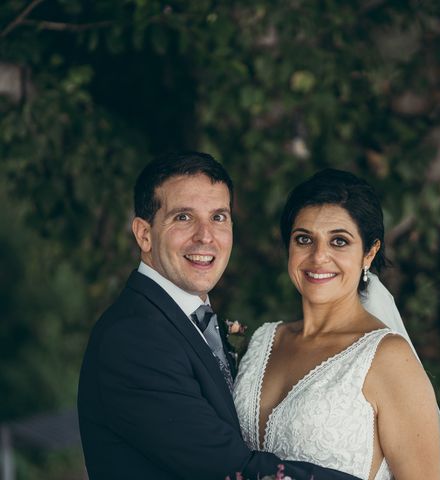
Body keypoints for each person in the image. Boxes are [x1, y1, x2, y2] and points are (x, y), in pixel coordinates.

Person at [77, 152, 359, 480]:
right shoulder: (134, 337)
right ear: (144, 234)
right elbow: (230, 469)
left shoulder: (184, 321)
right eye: (183, 217)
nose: (206, 236)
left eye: (219, 217)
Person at [233, 169, 440, 480]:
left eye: (339, 241)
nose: (319, 256)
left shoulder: (389, 358)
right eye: (304, 239)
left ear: (369, 253)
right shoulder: (263, 340)